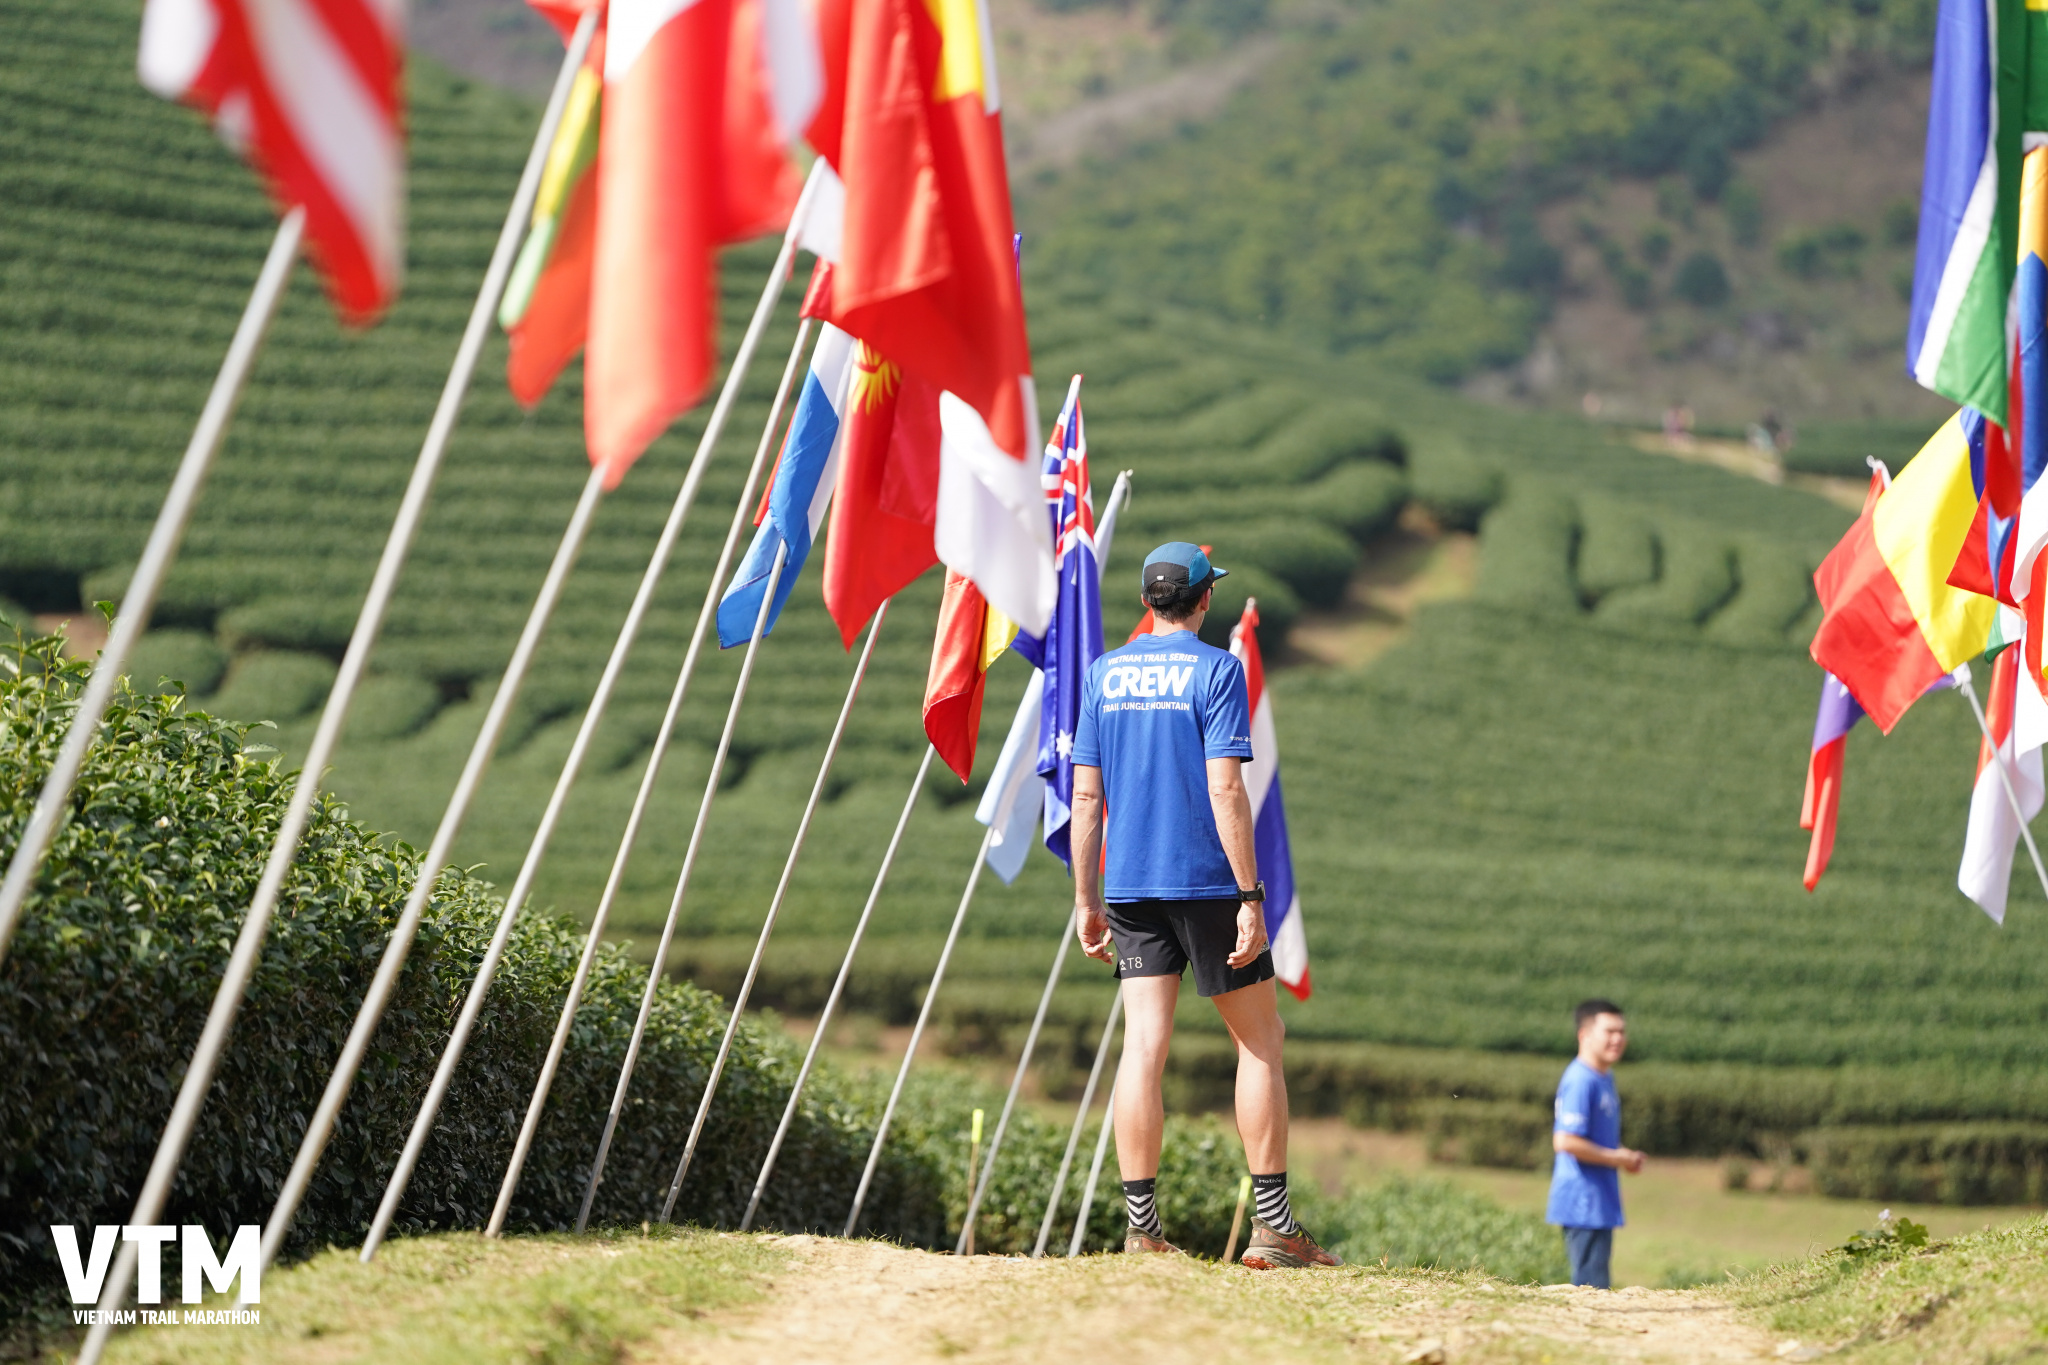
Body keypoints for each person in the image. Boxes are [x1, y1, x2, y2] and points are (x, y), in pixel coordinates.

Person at [1070, 541, 1338, 1270]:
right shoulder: (1217, 670)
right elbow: (1226, 788)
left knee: (1143, 1046)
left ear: (1147, 601)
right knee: (1260, 1040)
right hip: (1207, 881)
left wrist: (1087, 898)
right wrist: (1251, 895)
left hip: (1129, 886)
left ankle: (1141, 1229)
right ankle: (1273, 1227)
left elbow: (1087, 798)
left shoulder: (1103, 673)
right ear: (1205, 598)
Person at [1546, 999, 1645, 1288]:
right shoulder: (1581, 1080)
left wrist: (1623, 1155)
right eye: (1610, 1031)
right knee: (1590, 1289)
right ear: (1584, 1035)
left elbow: (1595, 1138)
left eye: (1621, 1031)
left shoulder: (1604, 1076)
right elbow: (1565, 1141)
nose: (1618, 1039)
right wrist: (1617, 1158)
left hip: (1598, 1201)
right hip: (1582, 1202)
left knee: (1596, 1283)